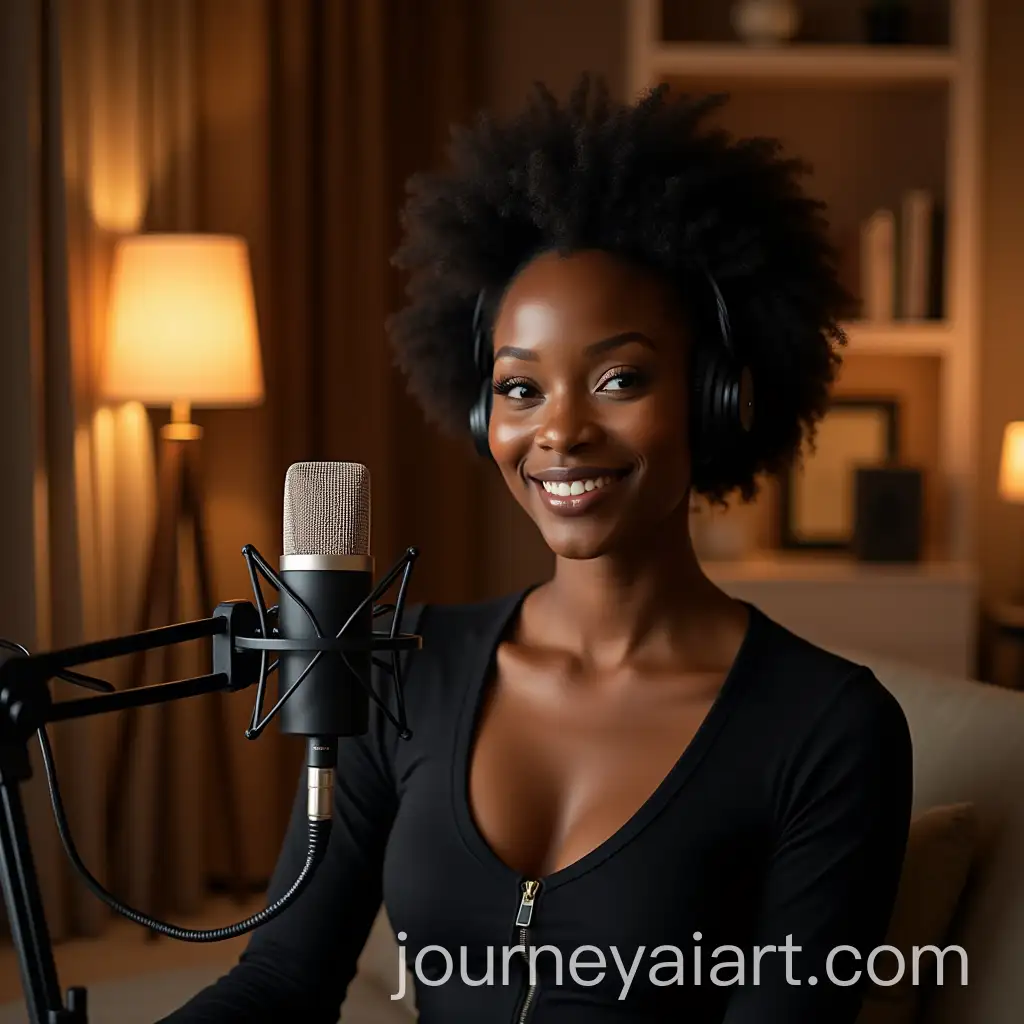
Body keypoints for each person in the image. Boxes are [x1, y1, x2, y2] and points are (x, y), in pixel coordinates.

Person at [163, 77, 912, 1023]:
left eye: (618, 378)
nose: (559, 432)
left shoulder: (830, 729)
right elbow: (282, 980)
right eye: (520, 390)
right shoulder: (401, 670)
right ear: (481, 412)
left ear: (720, 397)